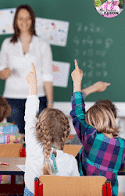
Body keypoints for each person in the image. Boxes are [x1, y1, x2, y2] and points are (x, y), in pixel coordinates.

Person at [0, 4, 53, 137]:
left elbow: (47, 76)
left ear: (32, 20)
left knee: (38, 138)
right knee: (16, 140)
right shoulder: (7, 44)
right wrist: (5, 72)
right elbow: (1, 72)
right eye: (20, 18)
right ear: (15, 21)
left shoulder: (42, 45)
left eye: (27, 18)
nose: (24, 22)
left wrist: (50, 104)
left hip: (38, 97)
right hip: (12, 99)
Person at [70, 60, 125, 196]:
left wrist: (77, 82)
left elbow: (78, 112)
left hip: (85, 192)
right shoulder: (122, 145)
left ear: (91, 123)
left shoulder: (90, 137)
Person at [24, 63, 79, 196]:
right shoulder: (71, 161)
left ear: (39, 129)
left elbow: (30, 116)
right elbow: (77, 188)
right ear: (65, 134)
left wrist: (33, 86)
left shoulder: (33, 147)